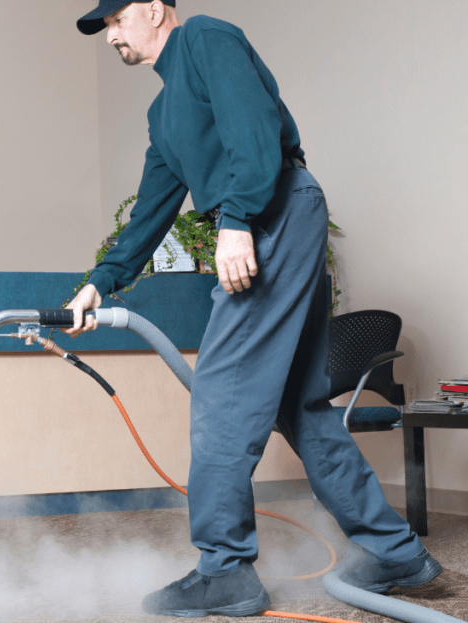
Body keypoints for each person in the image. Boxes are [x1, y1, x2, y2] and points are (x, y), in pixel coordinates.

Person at [66, 0, 442, 617]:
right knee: (303, 408)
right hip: (273, 219)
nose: (110, 37)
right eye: (104, 28)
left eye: (116, 20)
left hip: (273, 214)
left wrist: (237, 221)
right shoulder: (164, 114)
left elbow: (255, 130)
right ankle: (398, 553)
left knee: (219, 396)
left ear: (157, 10)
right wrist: (101, 282)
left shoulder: (206, 40)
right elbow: (151, 213)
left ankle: (225, 571)